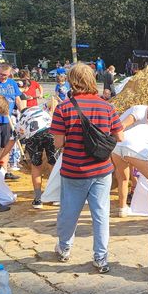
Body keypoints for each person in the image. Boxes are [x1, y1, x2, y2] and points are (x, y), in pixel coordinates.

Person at [50, 63, 124, 273]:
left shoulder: (64, 108)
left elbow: (57, 143)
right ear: (93, 80)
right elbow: (120, 136)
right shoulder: (107, 107)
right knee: (101, 215)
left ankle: (64, 249)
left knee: (69, 213)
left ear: (72, 82)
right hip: (102, 170)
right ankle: (100, 258)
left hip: (74, 170)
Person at [0, 102, 56, 209]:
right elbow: (51, 102)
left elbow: (11, 143)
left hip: (34, 137)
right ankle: (56, 196)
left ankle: (38, 199)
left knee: (36, 167)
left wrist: (1, 158)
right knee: (53, 164)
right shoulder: (41, 109)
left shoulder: (20, 122)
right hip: (50, 132)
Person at [112, 124, 148, 222]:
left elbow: (135, 141)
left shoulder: (142, 126)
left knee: (123, 179)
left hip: (117, 148)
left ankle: (122, 209)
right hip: (133, 150)